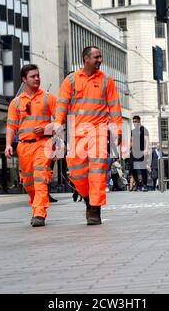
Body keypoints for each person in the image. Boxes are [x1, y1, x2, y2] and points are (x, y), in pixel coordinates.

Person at [46, 46, 122, 225]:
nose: (100, 60)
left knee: (96, 173)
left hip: (99, 132)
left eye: (100, 57)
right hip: (77, 133)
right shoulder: (70, 80)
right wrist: (58, 123)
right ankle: (88, 199)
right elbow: (62, 104)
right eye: (96, 57)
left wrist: (117, 130)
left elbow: (115, 107)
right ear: (86, 59)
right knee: (77, 173)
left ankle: (95, 210)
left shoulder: (106, 81)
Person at [5, 64, 56, 227]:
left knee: (40, 177)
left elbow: (60, 121)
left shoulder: (49, 98)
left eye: (38, 75)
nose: (37, 78)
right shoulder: (16, 103)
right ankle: (36, 208)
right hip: (23, 147)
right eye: (33, 76)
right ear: (24, 79)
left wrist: (47, 128)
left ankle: (40, 212)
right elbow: (11, 126)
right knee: (28, 183)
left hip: (44, 144)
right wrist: (8, 145)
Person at [130, 116, 150, 192]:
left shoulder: (144, 130)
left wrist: (146, 149)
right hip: (134, 151)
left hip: (142, 151)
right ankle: (138, 183)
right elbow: (131, 140)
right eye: (133, 121)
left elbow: (147, 140)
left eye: (136, 121)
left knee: (142, 168)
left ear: (139, 121)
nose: (134, 123)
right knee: (132, 167)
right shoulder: (133, 131)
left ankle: (145, 185)